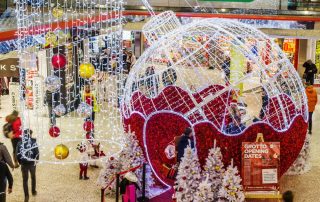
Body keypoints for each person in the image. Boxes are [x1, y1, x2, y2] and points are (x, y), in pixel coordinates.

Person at [16, 129, 39, 202]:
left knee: (25, 180)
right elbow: (37, 152)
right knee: (33, 177)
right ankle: (33, 191)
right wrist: (36, 160)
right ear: (31, 134)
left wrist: (20, 162)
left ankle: (26, 196)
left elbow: (18, 154)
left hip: (24, 163)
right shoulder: (34, 142)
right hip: (32, 163)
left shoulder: (20, 143)